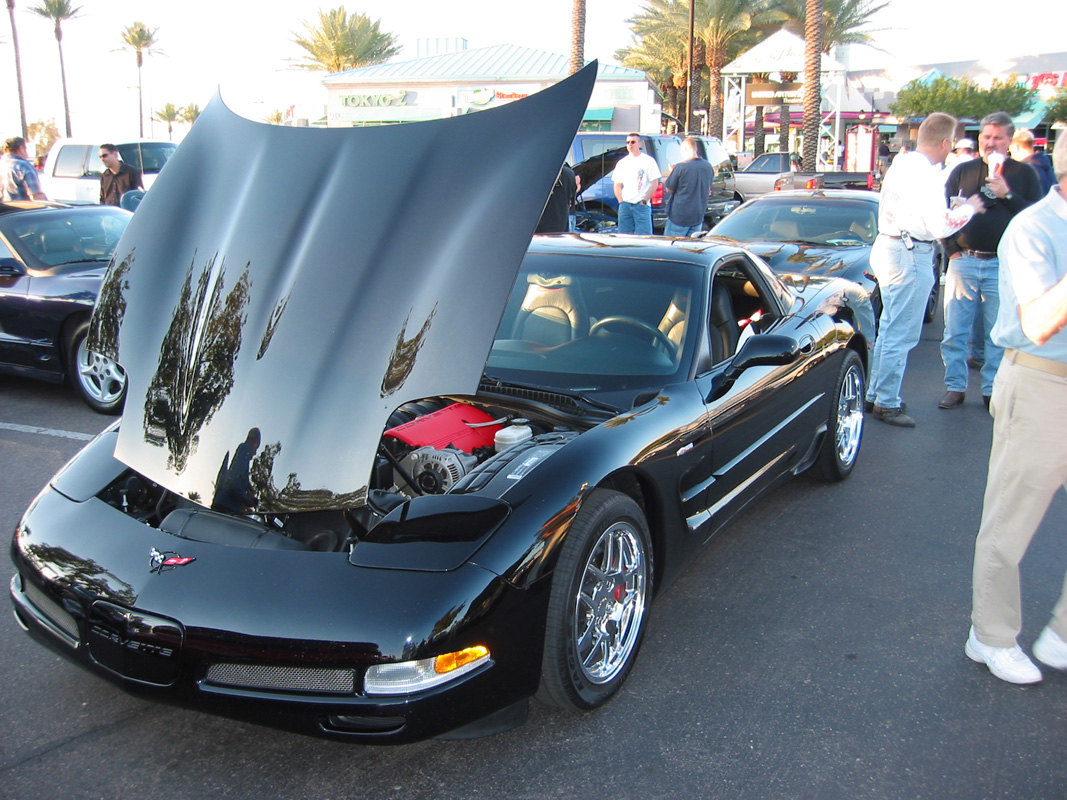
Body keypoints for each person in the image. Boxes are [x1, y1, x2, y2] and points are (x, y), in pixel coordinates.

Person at [966, 133, 1067, 685]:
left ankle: (1061, 635)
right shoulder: (1034, 228)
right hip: (1042, 383)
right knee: (1011, 522)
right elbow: (1038, 322)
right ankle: (991, 635)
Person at [865, 112, 984, 427]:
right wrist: (970, 208)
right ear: (945, 142)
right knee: (901, 332)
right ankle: (886, 402)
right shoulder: (927, 175)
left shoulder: (902, 163)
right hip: (909, 252)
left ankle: (875, 393)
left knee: (889, 327)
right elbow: (940, 225)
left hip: (889, 244)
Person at [940, 112, 1043, 410]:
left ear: (1009, 140)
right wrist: (952, 249)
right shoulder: (963, 171)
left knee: (997, 332)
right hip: (964, 261)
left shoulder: (1024, 175)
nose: (991, 142)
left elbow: (1034, 217)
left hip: (1003, 264)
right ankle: (955, 386)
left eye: (998, 137)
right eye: (986, 136)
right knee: (955, 332)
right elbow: (946, 212)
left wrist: (1007, 195)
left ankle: (991, 390)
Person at [662, 137, 712, 237]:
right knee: (690, 249)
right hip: (698, 216)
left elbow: (669, 189)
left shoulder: (681, 167)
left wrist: (672, 172)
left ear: (685, 149)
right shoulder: (708, 166)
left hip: (680, 216)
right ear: (696, 149)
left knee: (672, 248)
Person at [612, 134, 660, 235]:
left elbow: (654, 183)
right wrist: (621, 201)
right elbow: (617, 185)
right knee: (624, 238)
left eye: (633, 142)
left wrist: (644, 200)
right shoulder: (622, 163)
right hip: (625, 205)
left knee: (644, 239)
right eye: (628, 142)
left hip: (641, 206)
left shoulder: (648, 161)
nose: (630, 144)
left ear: (639, 144)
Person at [1009, 128, 1056, 195]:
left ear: (1016, 147)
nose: (1011, 156)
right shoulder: (1047, 166)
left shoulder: (1024, 171)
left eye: (1010, 150)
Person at [1, 136, 46, 201]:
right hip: (23, 209)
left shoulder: (2, 165)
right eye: (26, 149)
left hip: (5, 209)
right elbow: (36, 195)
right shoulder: (23, 165)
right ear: (21, 149)